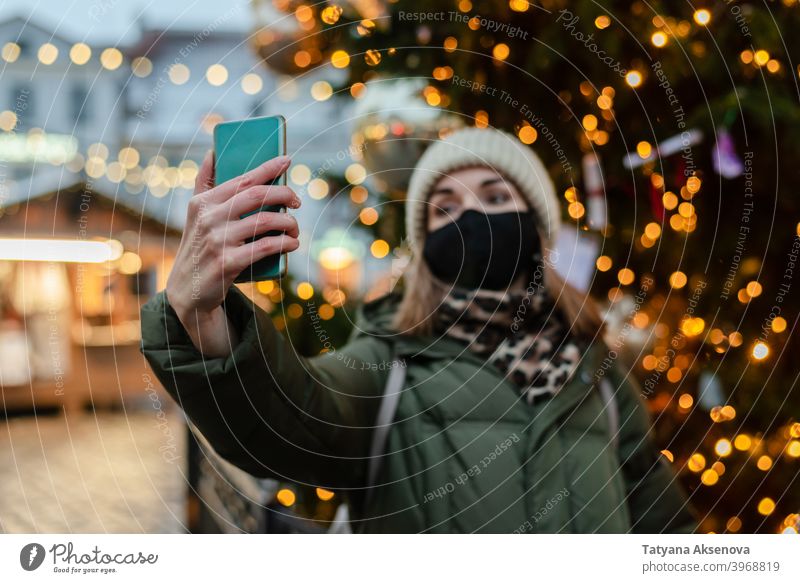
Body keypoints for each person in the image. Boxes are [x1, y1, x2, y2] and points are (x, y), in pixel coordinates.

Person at [139, 127, 697, 534]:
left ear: (537, 229)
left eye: (498, 198)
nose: (473, 217)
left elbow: (659, 521)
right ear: (424, 245)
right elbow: (295, 417)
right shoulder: (388, 364)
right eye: (445, 207)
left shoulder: (597, 373)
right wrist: (200, 314)